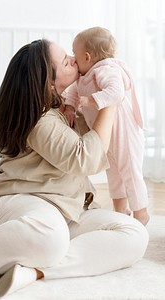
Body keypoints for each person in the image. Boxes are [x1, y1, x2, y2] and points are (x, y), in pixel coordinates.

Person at [0, 39, 149, 299]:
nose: (74, 60)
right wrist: (111, 102)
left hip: (66, 209)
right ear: (49, 82)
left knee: (135, 235)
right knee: (52, 237)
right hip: (27, 204)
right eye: (65, 61)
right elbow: (84, 157)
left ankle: (35, 271)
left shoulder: (65, 107)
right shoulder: (39, 119)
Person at [64, 26, 149, 225]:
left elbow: (116, 92)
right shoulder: (85, 75)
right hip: (106, 132)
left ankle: (141, 214)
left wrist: (91, 101)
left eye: (74, 55)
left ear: (87, 56)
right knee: (113, 170)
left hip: (124, 130)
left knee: (129, 171)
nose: (72, 59)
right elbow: (74, 91)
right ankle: (120, 211)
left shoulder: (106, 70)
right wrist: (69, 106)